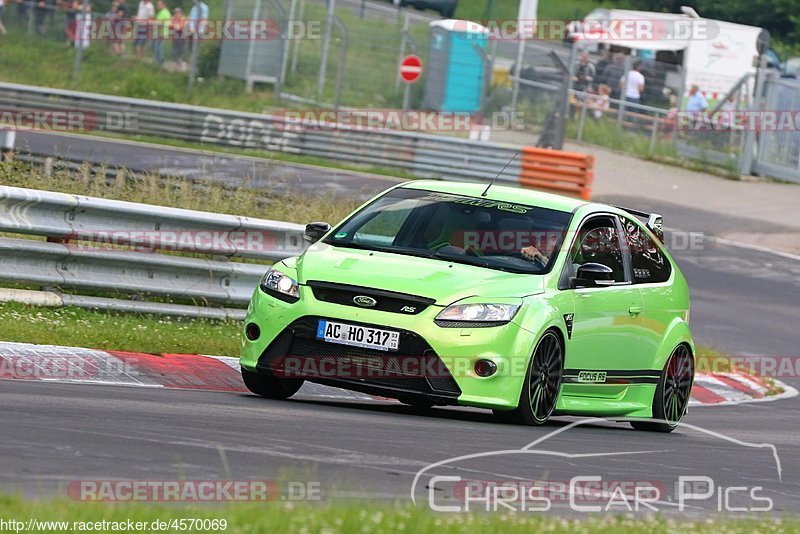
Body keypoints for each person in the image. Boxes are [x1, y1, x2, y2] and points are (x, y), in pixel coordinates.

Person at [151, 0, 170, 65]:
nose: (158, 6)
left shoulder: (164, 12)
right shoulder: (162, 12)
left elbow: (159, 23)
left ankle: (159, 61)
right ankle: (159, 60)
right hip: (160, 33)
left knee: (157, 48)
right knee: (158, 47)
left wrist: (149, 22)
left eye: (159, 4)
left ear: (163, 4)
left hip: (160, 33)